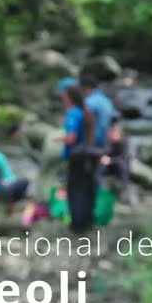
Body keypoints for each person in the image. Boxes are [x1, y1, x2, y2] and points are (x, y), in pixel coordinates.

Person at [78, 72, 134, 204]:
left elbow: (83, 122)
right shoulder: (106, 101)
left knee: (93, 175)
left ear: (86, 88)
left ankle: (98, 201)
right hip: (106, 144)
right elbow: (115, 120)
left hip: (93, 144)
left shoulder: (89, 102)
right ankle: (121, 193)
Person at [56, 77, 98, 233]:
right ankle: (87, 222)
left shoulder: (73, 114)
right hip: (87, 156)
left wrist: (59, 138)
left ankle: (77, 225)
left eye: (64, 97)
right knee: (87, 189)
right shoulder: (85, 112)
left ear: (70, 98)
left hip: (76, 157)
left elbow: (71, 138)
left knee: (75, 191)